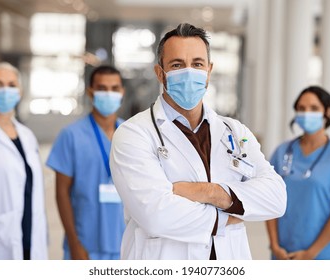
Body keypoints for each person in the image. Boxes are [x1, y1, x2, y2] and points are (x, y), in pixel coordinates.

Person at [109, 23, 287, 260]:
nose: (189, 72)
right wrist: (234, 212)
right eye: (177, 65)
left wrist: (209, 193)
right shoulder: (134, 134)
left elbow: (276, 198)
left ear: (209, 71)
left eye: (197, 64)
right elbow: (156, 216)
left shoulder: (234, 131)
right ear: (160, 73)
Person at [266, 86, 330, 260]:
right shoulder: (282, 152)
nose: (307, 113)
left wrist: (311, 253)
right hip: (282, 254)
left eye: (314, 108)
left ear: (328, 112)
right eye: (301, 109)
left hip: (321, 255)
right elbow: (270, 202)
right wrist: (274, 246)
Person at [46, 65, 126, 260]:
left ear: (122, 92)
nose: (109, 94)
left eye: (114, 89)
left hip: (125, 242)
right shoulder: (71, 135)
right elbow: (62, 193)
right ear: (90, 92)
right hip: (85, 244)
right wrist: (74, 244)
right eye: (102, 88)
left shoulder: (131, 134)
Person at [0, 62, 48, 260]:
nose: (5, 90)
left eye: (11, 85)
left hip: (30, 237)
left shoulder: (27, 135)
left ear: (20, 91)